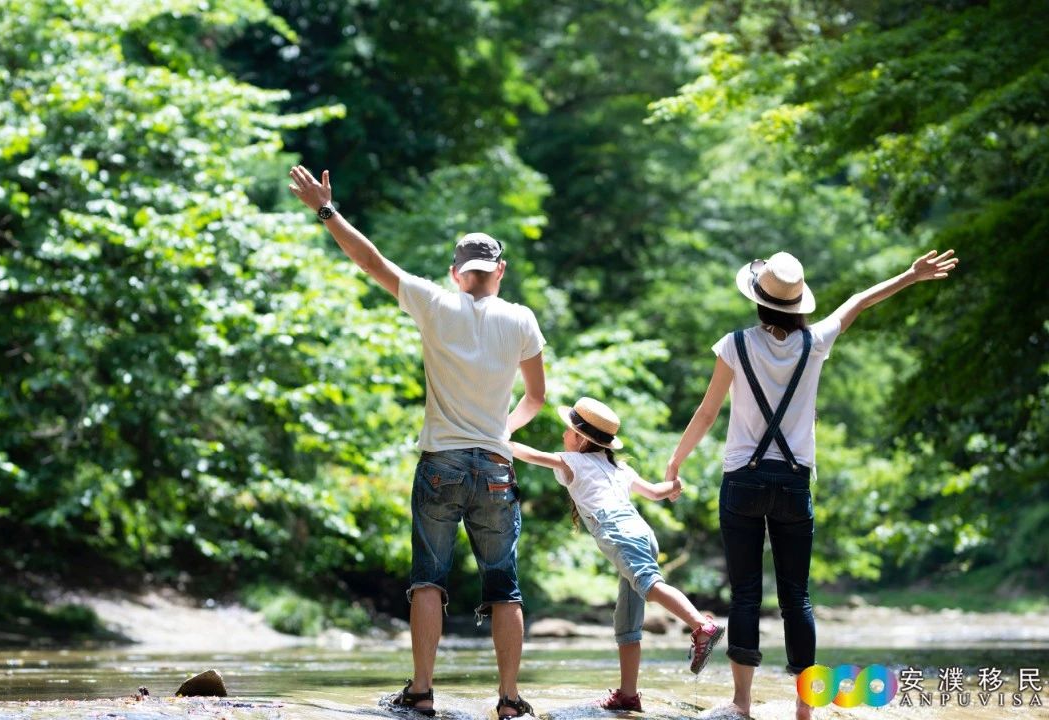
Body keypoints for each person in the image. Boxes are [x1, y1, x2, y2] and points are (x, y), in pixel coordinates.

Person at [288, 165, 547, 718]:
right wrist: (504, 430)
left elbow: (370, 261)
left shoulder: (432, 301)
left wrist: (326, 210)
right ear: (499, 271)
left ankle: (423, 692)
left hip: (440, 465)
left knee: (428, 579)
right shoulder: (522, 319)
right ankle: (508, 700)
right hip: (496, 468)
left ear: (457, 273)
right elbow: (537, 399)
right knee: (505, 586)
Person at [664, 249, 959, 720]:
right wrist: (911, 274)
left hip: (743, 478)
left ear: (758, 301)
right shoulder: (814, 342)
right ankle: (804, 706)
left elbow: (706, 412)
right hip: (795, 482)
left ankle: (741, 703)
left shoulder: (735, 345)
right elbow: (859, 301)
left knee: (744, 594)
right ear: (800, 304)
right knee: (796, 597)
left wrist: (675, 464)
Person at [510, 397, 725, 712]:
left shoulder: (573, 460)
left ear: (581, 439)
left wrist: (500, 440)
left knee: (649, 583)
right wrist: (673, 486)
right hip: (641, 532)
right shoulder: (618, 466)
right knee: (627, 622)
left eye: (567, 431)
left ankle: (700, 625)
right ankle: (628, 694)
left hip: (618, 533)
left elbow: (531, 455)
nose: (563, 437)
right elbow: (654, 491)